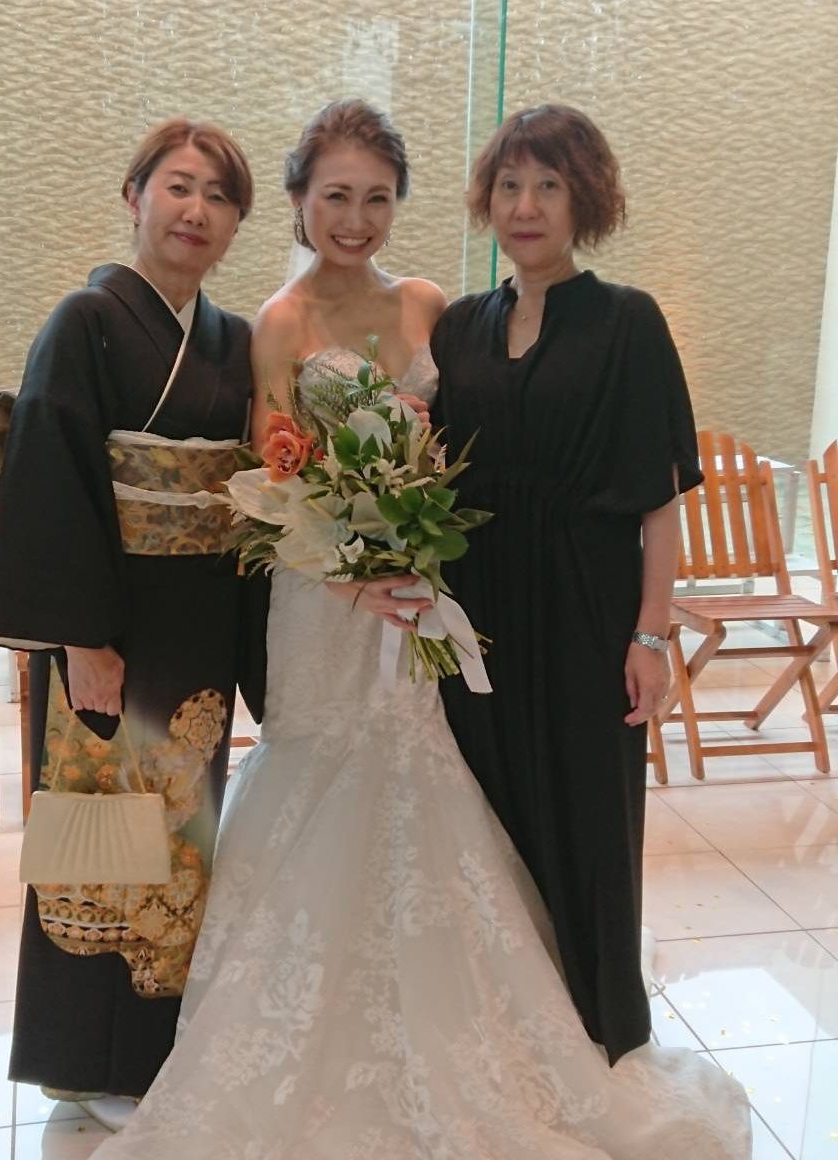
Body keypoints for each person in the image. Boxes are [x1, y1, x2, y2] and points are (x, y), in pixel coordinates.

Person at [90, 100, 750, 1158]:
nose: (355, 218)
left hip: (428, 595)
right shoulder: (275, 321)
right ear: (299, 201)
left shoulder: (435, 307)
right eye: (335, 196)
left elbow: (480, 451)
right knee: (307, 781)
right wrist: (353, 575)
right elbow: (271, 480)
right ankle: (248, 1030)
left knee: (425, 780)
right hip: (317, 604)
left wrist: (636, 626)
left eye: (377, 198)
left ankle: (491, 1014)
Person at [0, 118, 267, 1120]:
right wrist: (79, 636)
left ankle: (149, 1052)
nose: (197, 211)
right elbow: (49, 475)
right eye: (178, 186)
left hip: (199, 621)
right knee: (98, 835)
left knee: (179, 835)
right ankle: (80, 1056)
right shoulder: (85, 321)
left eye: (219, 196)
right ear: (135, 196)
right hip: (106, 619)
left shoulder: (235, 341)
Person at [432, 103, 700, 1066]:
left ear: (585, 199)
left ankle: (597, 1026)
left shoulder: (628, 322)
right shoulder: (461, 326)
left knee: (589, 818)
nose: (526, 206)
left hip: (588, 608)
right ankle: (509, 1028)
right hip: (476, 610)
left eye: (548, 185)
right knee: (491, 811)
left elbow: (659, 503)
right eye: (509, 185)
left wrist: (651, 637)